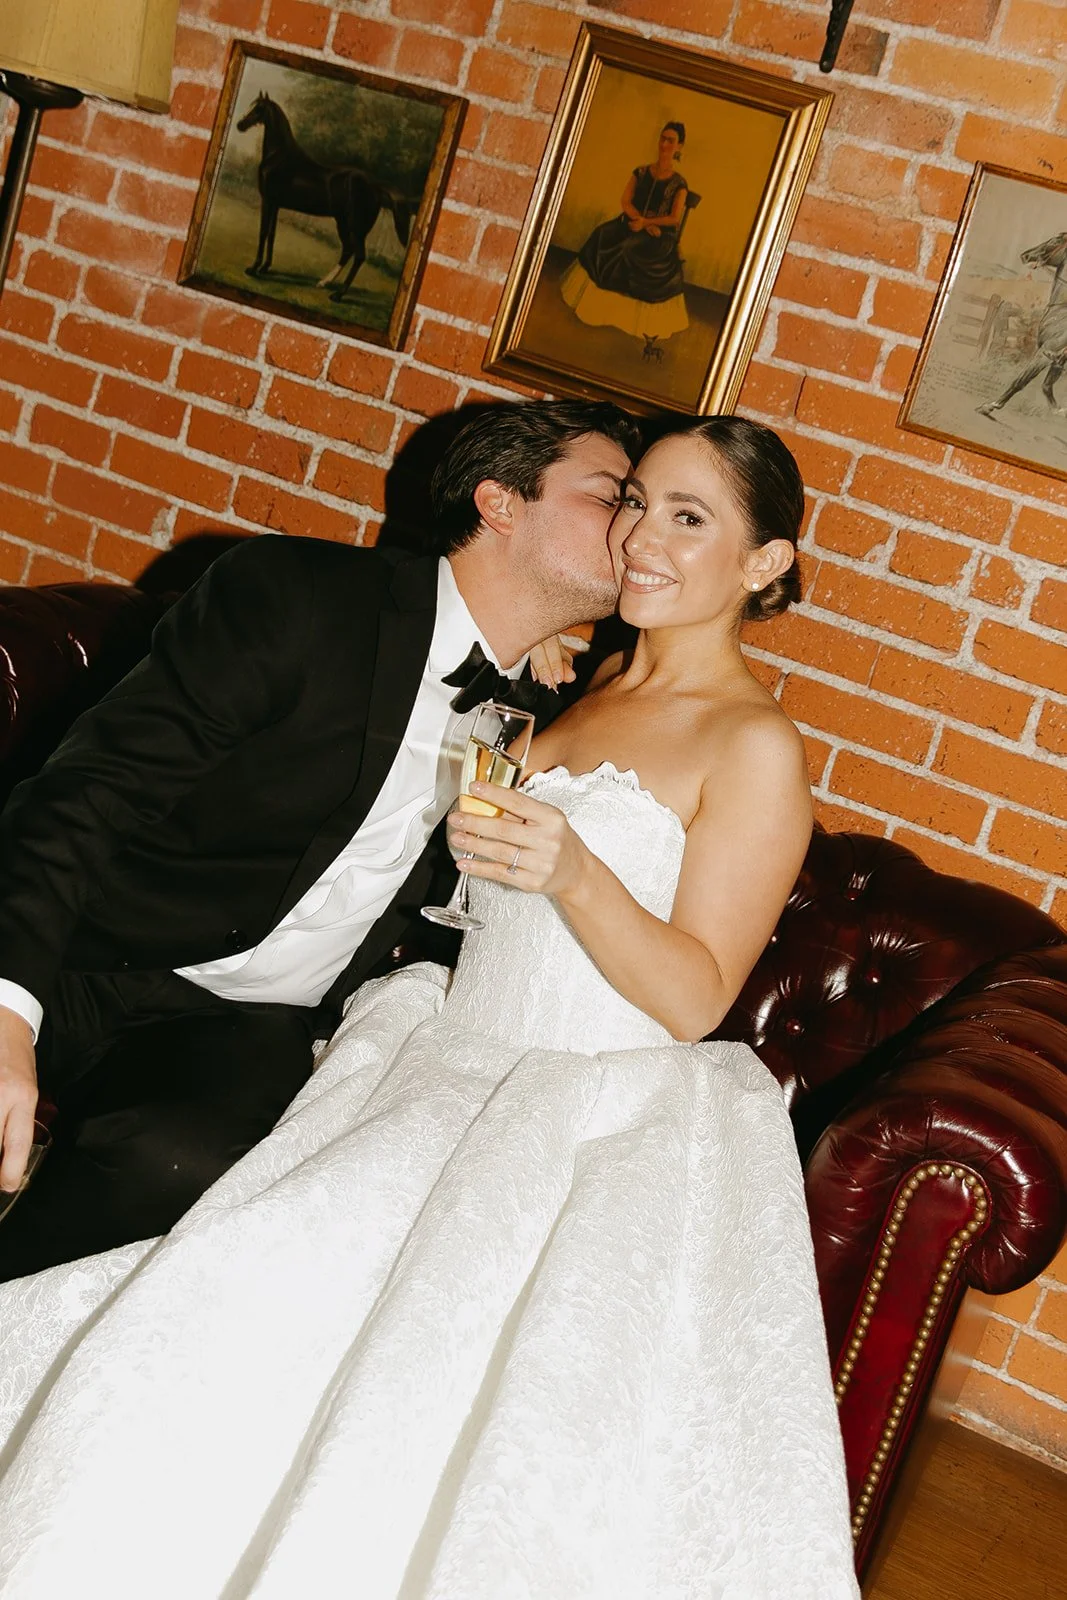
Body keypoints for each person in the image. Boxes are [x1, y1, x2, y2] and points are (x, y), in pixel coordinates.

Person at [0, 416, 859, 1598]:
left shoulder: (750, 741)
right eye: (627, 499)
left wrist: (574, 872)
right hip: (378, 1036)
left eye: (683, 515)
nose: (637, 536)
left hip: (555, 1101)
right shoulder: (553, 686)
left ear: (764, 562)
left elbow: (695, 994)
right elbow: (110, 796)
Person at [0, 398, 640, 1279]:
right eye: (611, 497)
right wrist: (7, 1008)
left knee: (184, 1164)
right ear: (499, 502)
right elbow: (86, 797)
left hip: (245, 1025)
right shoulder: (299, 596)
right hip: (86, 947)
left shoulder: (549, 711)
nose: (634, 528)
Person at [561, 120, 691, 342]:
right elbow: (625, 201)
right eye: (662, 138)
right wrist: (639, 221)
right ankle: (595, 308)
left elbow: (674, 218)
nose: (664, 144)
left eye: (671, 141)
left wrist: (648, 224)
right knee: (602, 234)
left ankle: (623, 317)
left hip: (659, 235)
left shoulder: (679, 183)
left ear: (679, 146)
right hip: (632, 222)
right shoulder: (641, 171)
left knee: (627, 248)